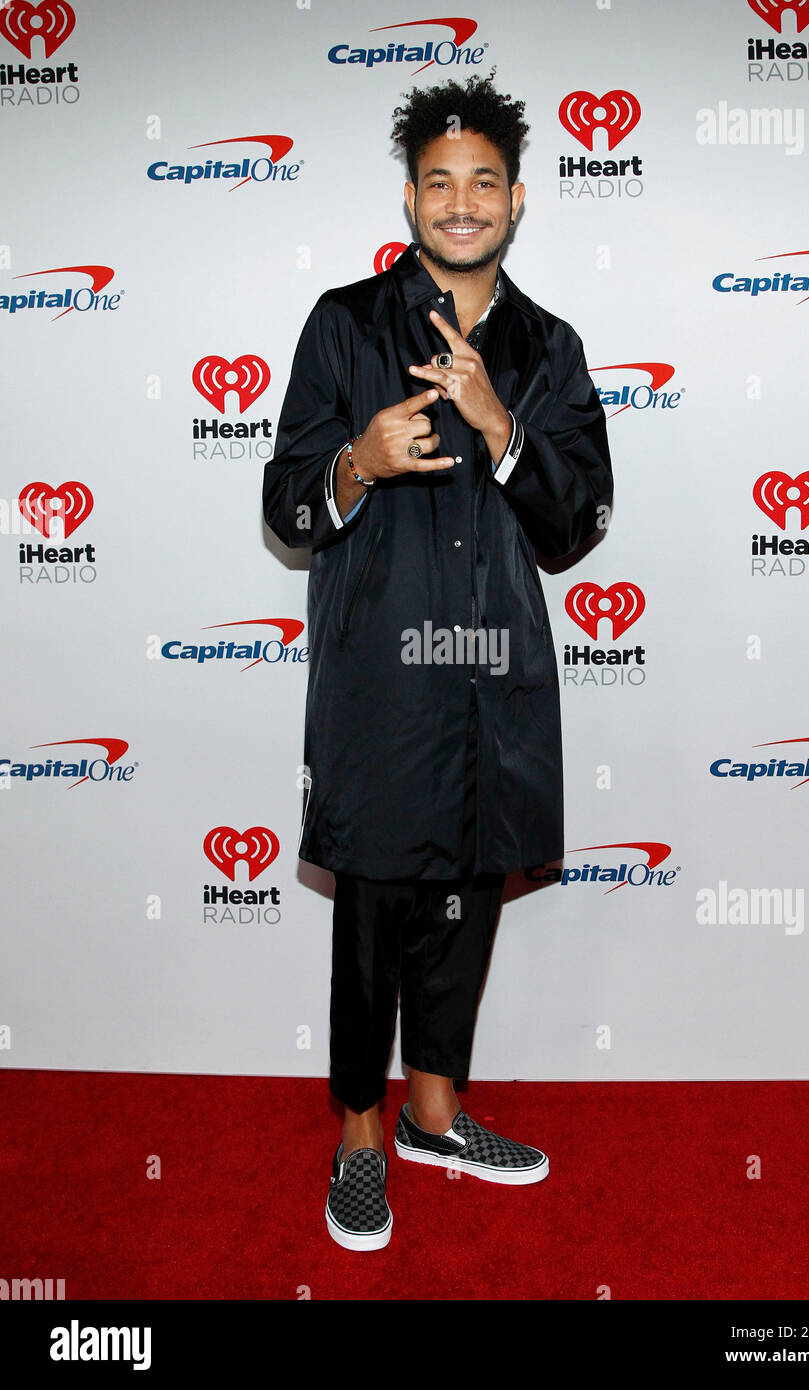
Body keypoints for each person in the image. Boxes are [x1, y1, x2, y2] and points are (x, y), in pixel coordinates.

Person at [262, 72, 613, 1251]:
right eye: (437, 181)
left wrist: (499, 420)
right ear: (410, 196)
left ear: (517, 199)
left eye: (483, 183)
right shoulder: (344, 326)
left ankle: (434, 1111)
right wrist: (356, 460)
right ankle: (361, 1136)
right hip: (378, 675)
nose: (460, 203)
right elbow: (286, 510)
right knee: (371, 901)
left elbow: (576, 528)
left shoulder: (550, 351)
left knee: (466, 895)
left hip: (495, 676)